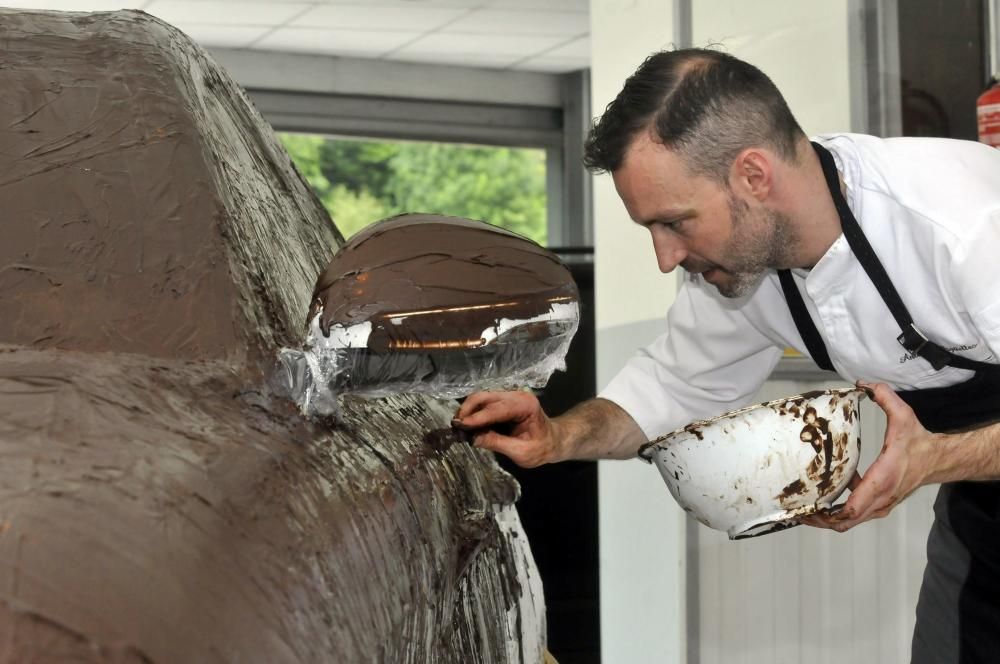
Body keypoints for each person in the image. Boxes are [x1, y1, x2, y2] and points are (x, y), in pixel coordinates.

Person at [453, 48, 1000, 662]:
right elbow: (672, 388)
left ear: (754, 176)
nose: (665, 257)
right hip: (983, 518)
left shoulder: (966, 222)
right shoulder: (742, 268)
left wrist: (937, 457)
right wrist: (557, 436)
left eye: (675, 223)